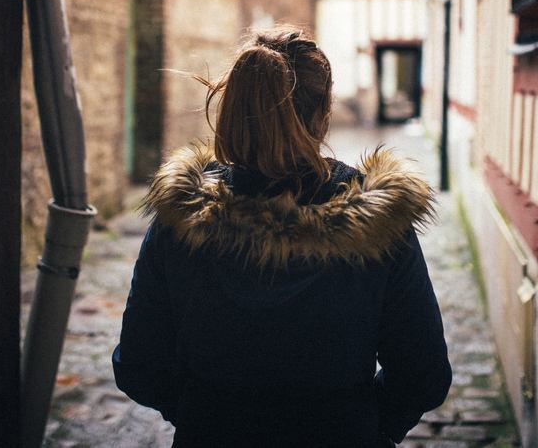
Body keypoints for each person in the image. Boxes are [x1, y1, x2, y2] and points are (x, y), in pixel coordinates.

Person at [113, 26, 451, 447]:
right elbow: (424, 372)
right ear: (324, 112)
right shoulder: (378, 221)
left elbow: (139, 364)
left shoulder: (183, 217)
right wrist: (364, 425)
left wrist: (208, 416)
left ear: (234, 105)